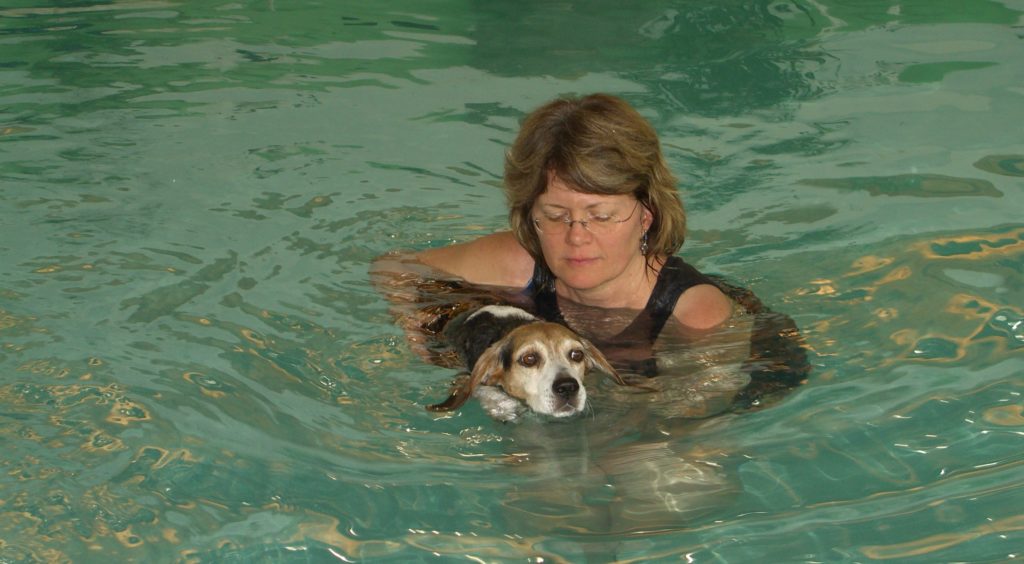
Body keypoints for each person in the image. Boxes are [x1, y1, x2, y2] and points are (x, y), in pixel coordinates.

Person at [373, 93, 807, 408]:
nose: (576, 236)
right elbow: (392, 268)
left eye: (600, 216)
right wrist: (421, 324)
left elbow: (687, 424)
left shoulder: (695, 317)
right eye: (556, 214)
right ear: (530, 217)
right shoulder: (521, 262)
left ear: (646, 215)